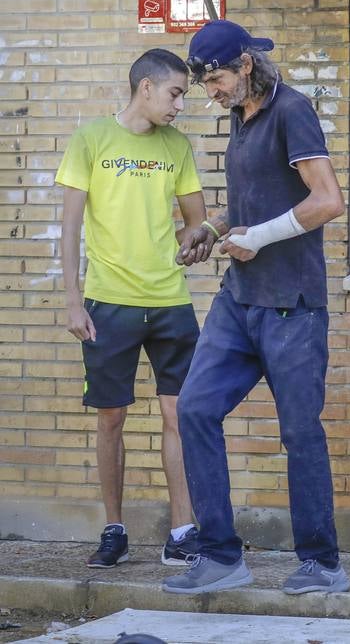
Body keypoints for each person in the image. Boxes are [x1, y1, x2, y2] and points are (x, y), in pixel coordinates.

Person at [162, 19, 350, 596]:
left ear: (245, 65)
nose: (211, 92)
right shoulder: (239, 119)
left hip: (292, 303)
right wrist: (210, 228)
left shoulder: (292, 111)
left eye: (216, 78)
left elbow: (328, 200)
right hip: (239, 299)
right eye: (205, 84)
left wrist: (260, 237)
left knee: (299, 432)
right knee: (193, 409)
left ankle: (321, 563)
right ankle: (221, 556)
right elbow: (250, 202)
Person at [57, 48, 209, 569]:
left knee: (180, 414)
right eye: (175, 93)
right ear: (145, 87)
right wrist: (73, 300)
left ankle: (182, 532)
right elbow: (71, 226)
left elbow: (196, 218)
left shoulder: (177, 145)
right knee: (111, 419)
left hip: (170, 301)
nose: (180, 105)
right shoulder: (91, 139)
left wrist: (197, 239)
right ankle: (114, 528)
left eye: (183, 95)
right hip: (109, 303)